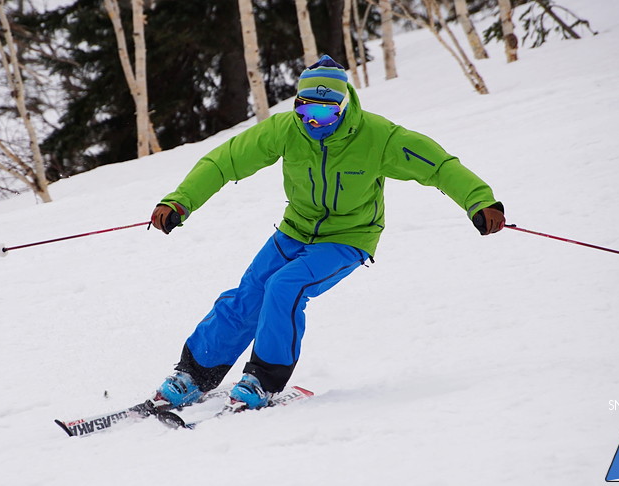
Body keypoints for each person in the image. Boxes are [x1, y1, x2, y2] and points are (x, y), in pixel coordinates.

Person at [149, 55, 505, 412]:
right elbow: (223, 161)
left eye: (325, 114)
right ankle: (195, 374)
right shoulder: (286, 129)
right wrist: (180, 201)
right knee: (249, 293)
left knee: (285, 286)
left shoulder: (377, 137)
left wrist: (479, 201)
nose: (314, 123)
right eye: (305, 112)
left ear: (344, 107)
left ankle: (263, 380)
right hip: (295, 230)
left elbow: (438, 166)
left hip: (348, 238)